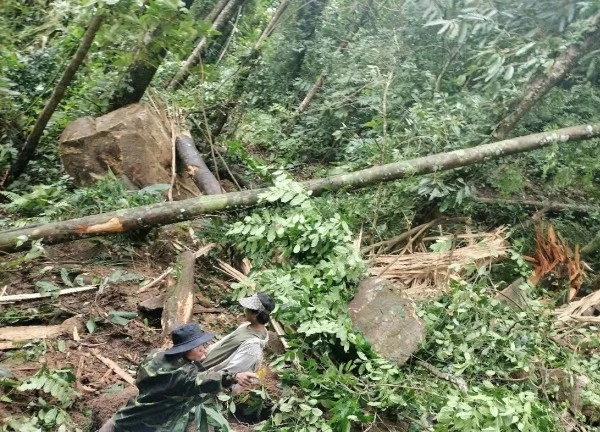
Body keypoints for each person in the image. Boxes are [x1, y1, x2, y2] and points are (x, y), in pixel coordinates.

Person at [98, 322, 257, 432]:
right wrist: (234, 376)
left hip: (125, 417)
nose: (203, 348)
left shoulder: (156, 356)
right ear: (185, 349)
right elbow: (202, 381)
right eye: (197, 346)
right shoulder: (183, 376)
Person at [201, 292, 276, 375]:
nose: (245, 310)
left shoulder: (252, 346)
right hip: (202, 365)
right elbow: (224, 342)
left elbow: (232, 370)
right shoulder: (246, 326)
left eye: (247, 308)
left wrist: (206, 378)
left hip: (207, 377)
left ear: (256, 314)